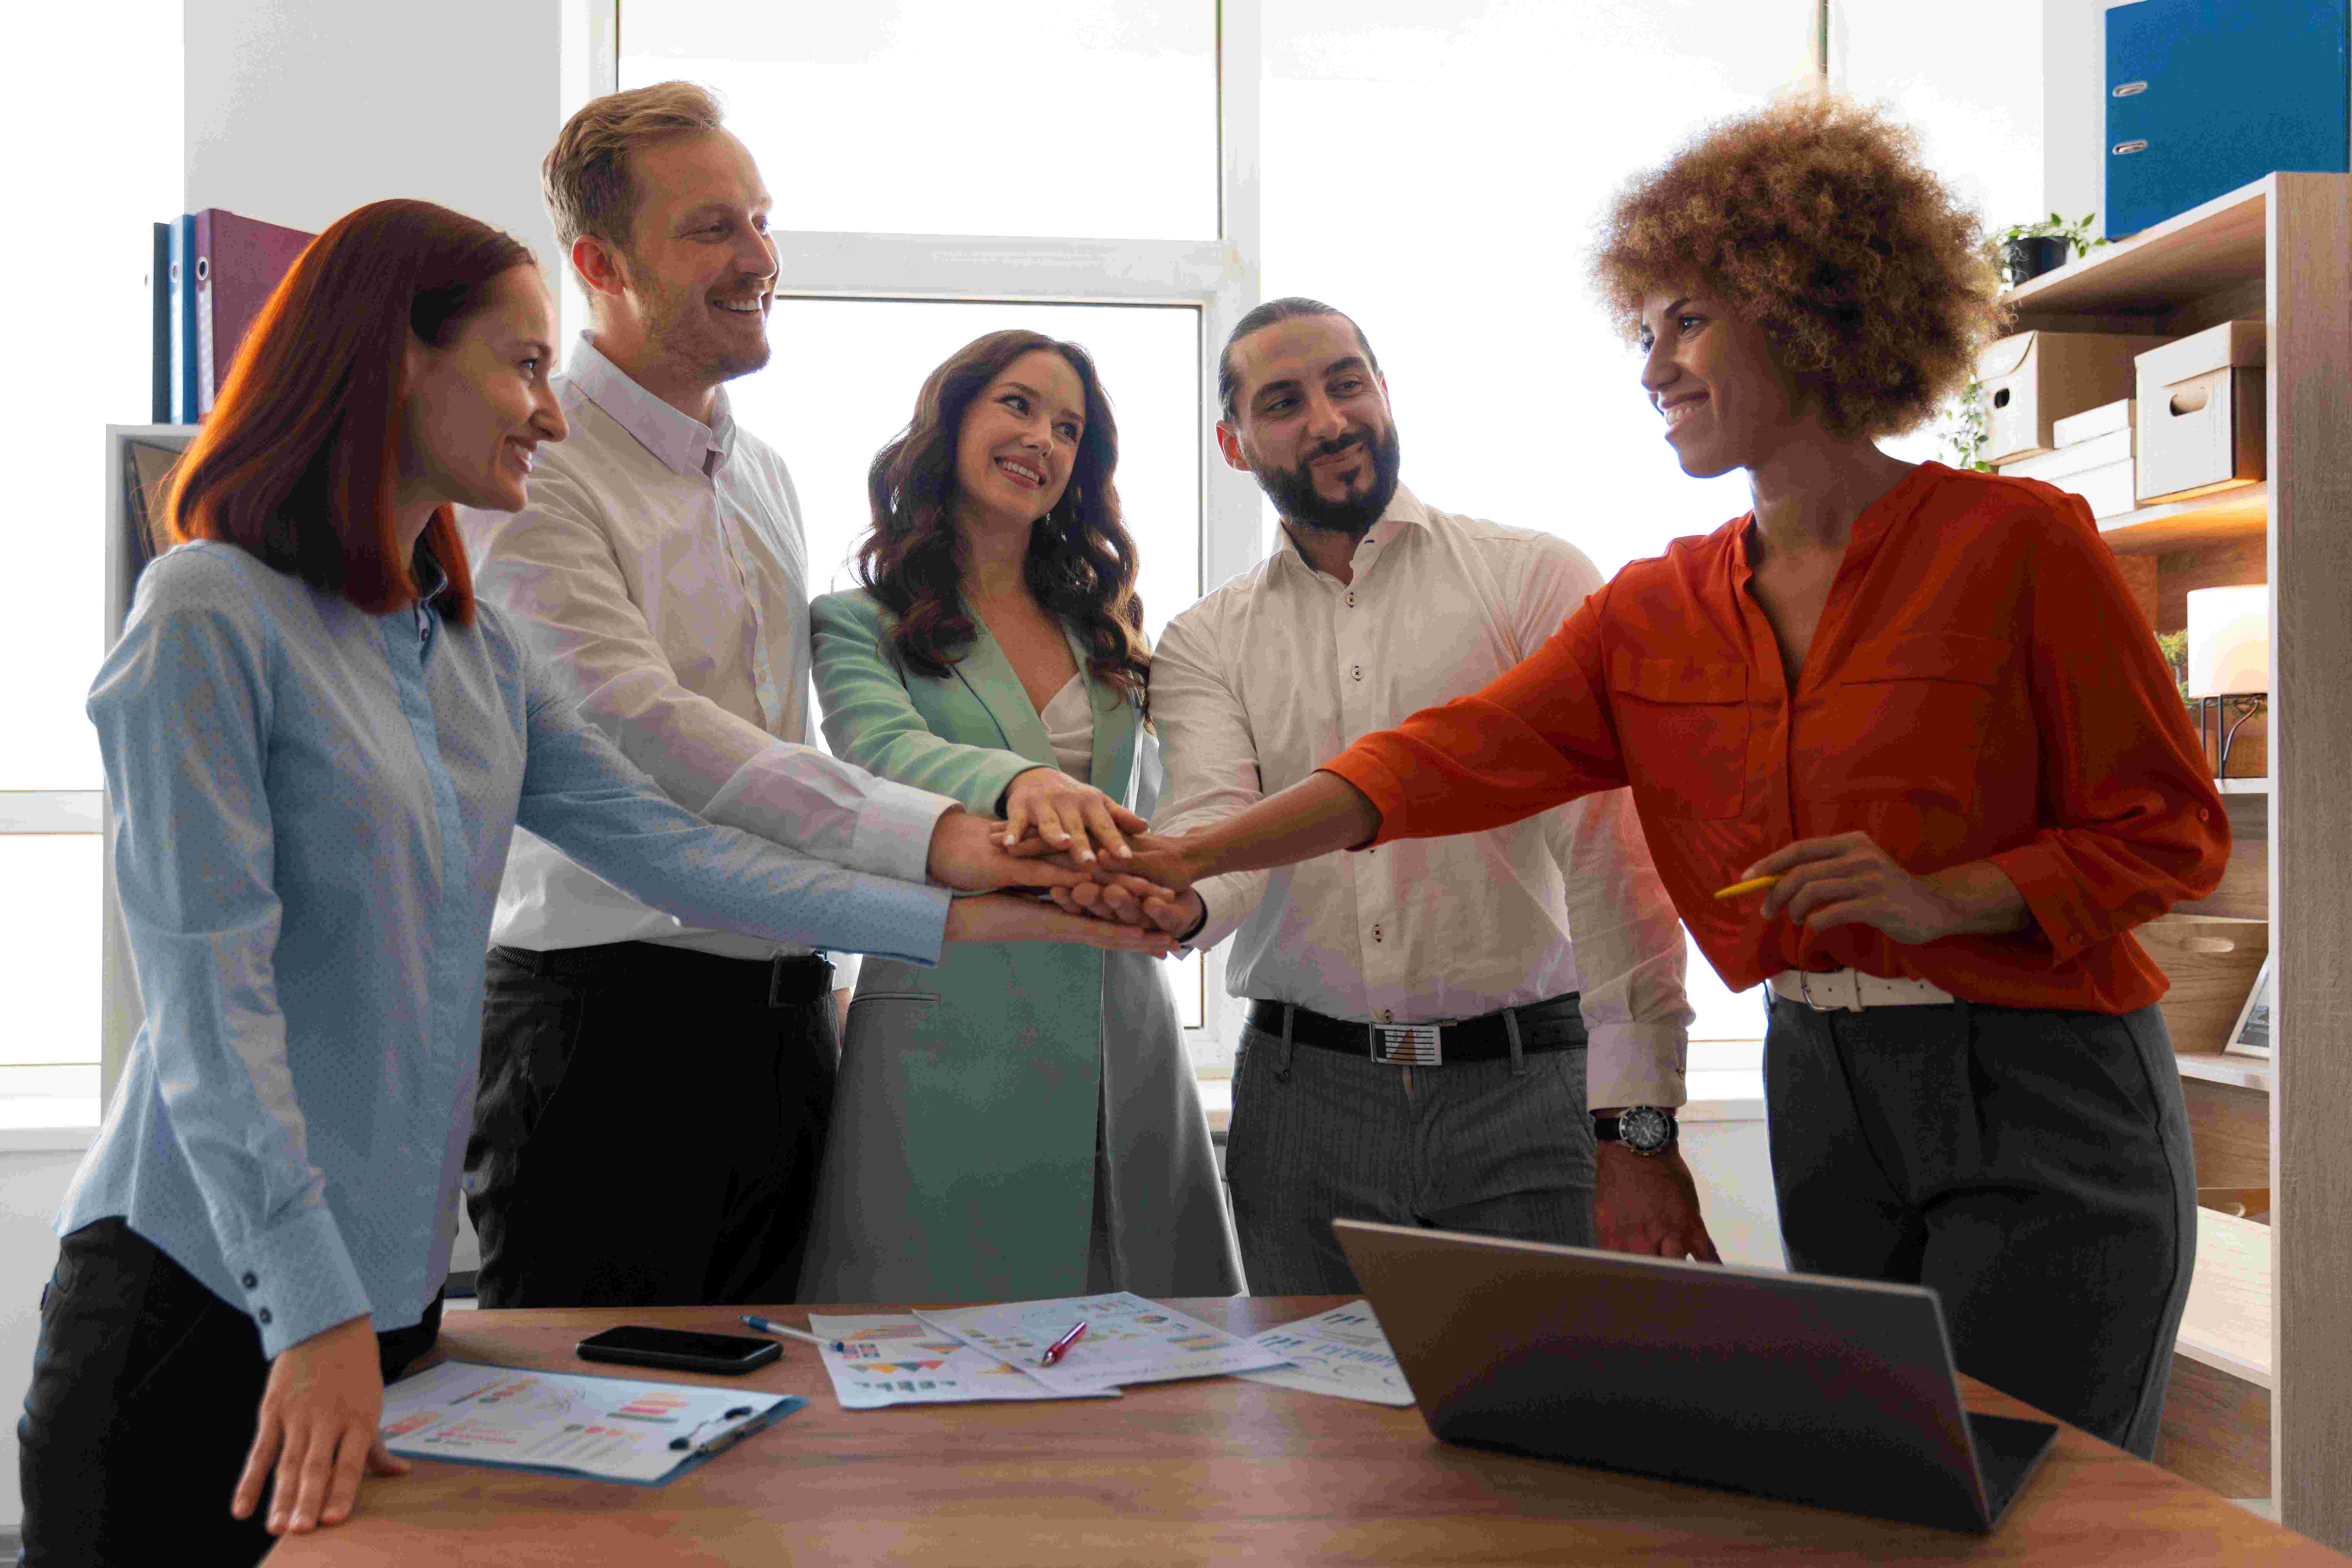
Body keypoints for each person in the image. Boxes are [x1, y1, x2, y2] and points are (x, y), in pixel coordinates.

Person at [17, 198, 1164, 1567]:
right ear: (393, 359)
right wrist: (311, 1312)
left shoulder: (473, 653)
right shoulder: (210, 608)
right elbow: (208, 1003)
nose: (549, 416)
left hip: (380, 1307)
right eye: (520, 368)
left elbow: (674, 849)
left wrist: (968, 909)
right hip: (205, 1291)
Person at [1100, 95, 2226, 1455]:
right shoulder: (1657, 606)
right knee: (1877, 1488)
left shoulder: (2017, 541)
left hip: (2039, 1080)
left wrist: (1955, 894)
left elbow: (2168, 833)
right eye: (1644, 331)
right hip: (1825, 1083)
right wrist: (1187, 855)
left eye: (1684, 321)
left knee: (2039, 1493)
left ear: (1806, 308)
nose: (1652, 367)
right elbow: (1433, 762)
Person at [454, 84, 1126, 1309]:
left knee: (772, 1435)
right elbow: (644, 730)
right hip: (611, 1025)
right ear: (599, 263)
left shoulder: (760, 472)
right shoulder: (532, 470)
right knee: (592, 1437)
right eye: (712, 227)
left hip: (785, 1015)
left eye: (760, 219)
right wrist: (939, 841)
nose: (760, 257)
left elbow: (779, 744)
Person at [1082, 296, 1708, 1296]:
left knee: (1545, 1431)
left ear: (1385, 392)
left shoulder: (1533, 580)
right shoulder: (1206, 640)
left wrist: (1638, 1128)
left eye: (1348, 383)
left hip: (1530, 1090)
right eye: (1284, 401)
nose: (1329, 420)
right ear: (1234, 445)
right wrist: (1182, 896)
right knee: (1315, 1438)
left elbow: (1612, 860)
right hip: (1302, 1106)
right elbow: (1214, 827)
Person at [794, 330, 1243, 1301]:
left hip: (1122, 1024)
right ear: (951, 421)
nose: (1044, 438)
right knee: (930, 1378)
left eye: (1070, 428)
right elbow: (879, 753)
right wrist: (1016, 782)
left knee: (1150, 1384)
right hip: (948, 1027)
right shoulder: (855, 623)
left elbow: (1165, 807)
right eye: (1019, 406)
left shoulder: (1110, 630)